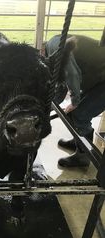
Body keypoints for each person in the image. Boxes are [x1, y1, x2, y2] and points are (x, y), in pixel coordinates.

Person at [45, 33, 105, 167]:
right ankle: (78, 141)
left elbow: (72, 74)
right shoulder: (53, 51)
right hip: (98, 76)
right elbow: (61, 86)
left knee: (81, 114)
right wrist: (47, 107)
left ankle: (83, 156)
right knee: (74, 114)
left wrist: (74, 102)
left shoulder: (56, 47)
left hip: (102, 81)